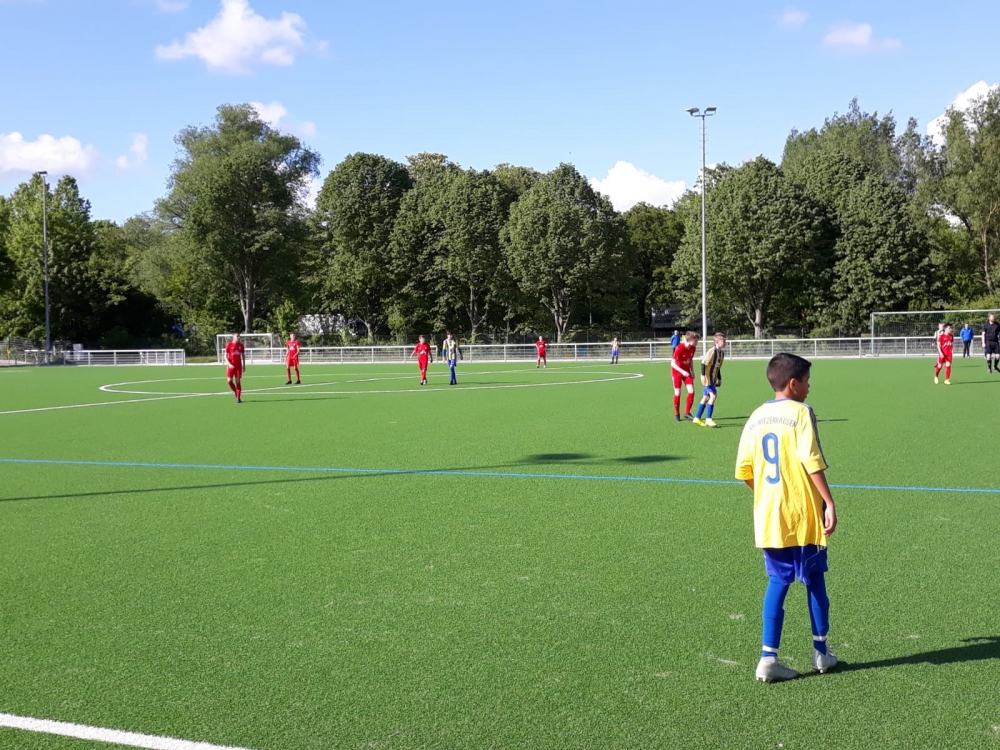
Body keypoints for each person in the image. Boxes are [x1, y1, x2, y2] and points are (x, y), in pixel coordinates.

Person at [736, 353, 838, 683]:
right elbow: (811, 460)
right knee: (815, 578)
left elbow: (744, 470)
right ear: (793, 384)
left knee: (778, 581)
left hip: (770, 515)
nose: (809, 387)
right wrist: (828, 502)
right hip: (803, 514)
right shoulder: (801, 412)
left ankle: (768, 658)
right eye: (807, 381)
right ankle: (821, 653)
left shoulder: (756, 416)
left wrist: (768, 496)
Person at [693, 333, 726, 427]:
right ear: (717, 342)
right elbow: (703, 363)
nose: (725, 342)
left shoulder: (721, 353)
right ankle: (708, 419)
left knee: (706, 397)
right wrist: (703, 375)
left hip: (713, 378)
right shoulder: (712, 351)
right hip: (708, 377)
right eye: (723, 340)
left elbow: (717, 367)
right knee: (713, 396)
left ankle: (697, 418)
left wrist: (719, 378)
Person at [670, 331, 700, 422]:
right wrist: (682, 371)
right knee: (677, 393)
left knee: (691, 391)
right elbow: (672, 363)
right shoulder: (679, 348)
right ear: (690, 340)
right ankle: (677, 414)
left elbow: (690, 360)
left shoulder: (693, 348)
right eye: (696, 340)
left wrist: (692, 371)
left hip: (687, 372)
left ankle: (687, 412)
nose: (697, 342)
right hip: (677, 372)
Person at [225, 333, 246, 403]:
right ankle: (236, 392)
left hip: (238, 366)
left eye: (239, 336)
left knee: (238, 381)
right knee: (229, 381)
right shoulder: (229, 345)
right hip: (230, 366)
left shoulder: (241, 345)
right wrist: (229, 364)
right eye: (237, 336)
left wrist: (244, 365)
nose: (239, 337)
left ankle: (238, 398)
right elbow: (225, 356)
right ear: (233, 337)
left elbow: (243, 355)